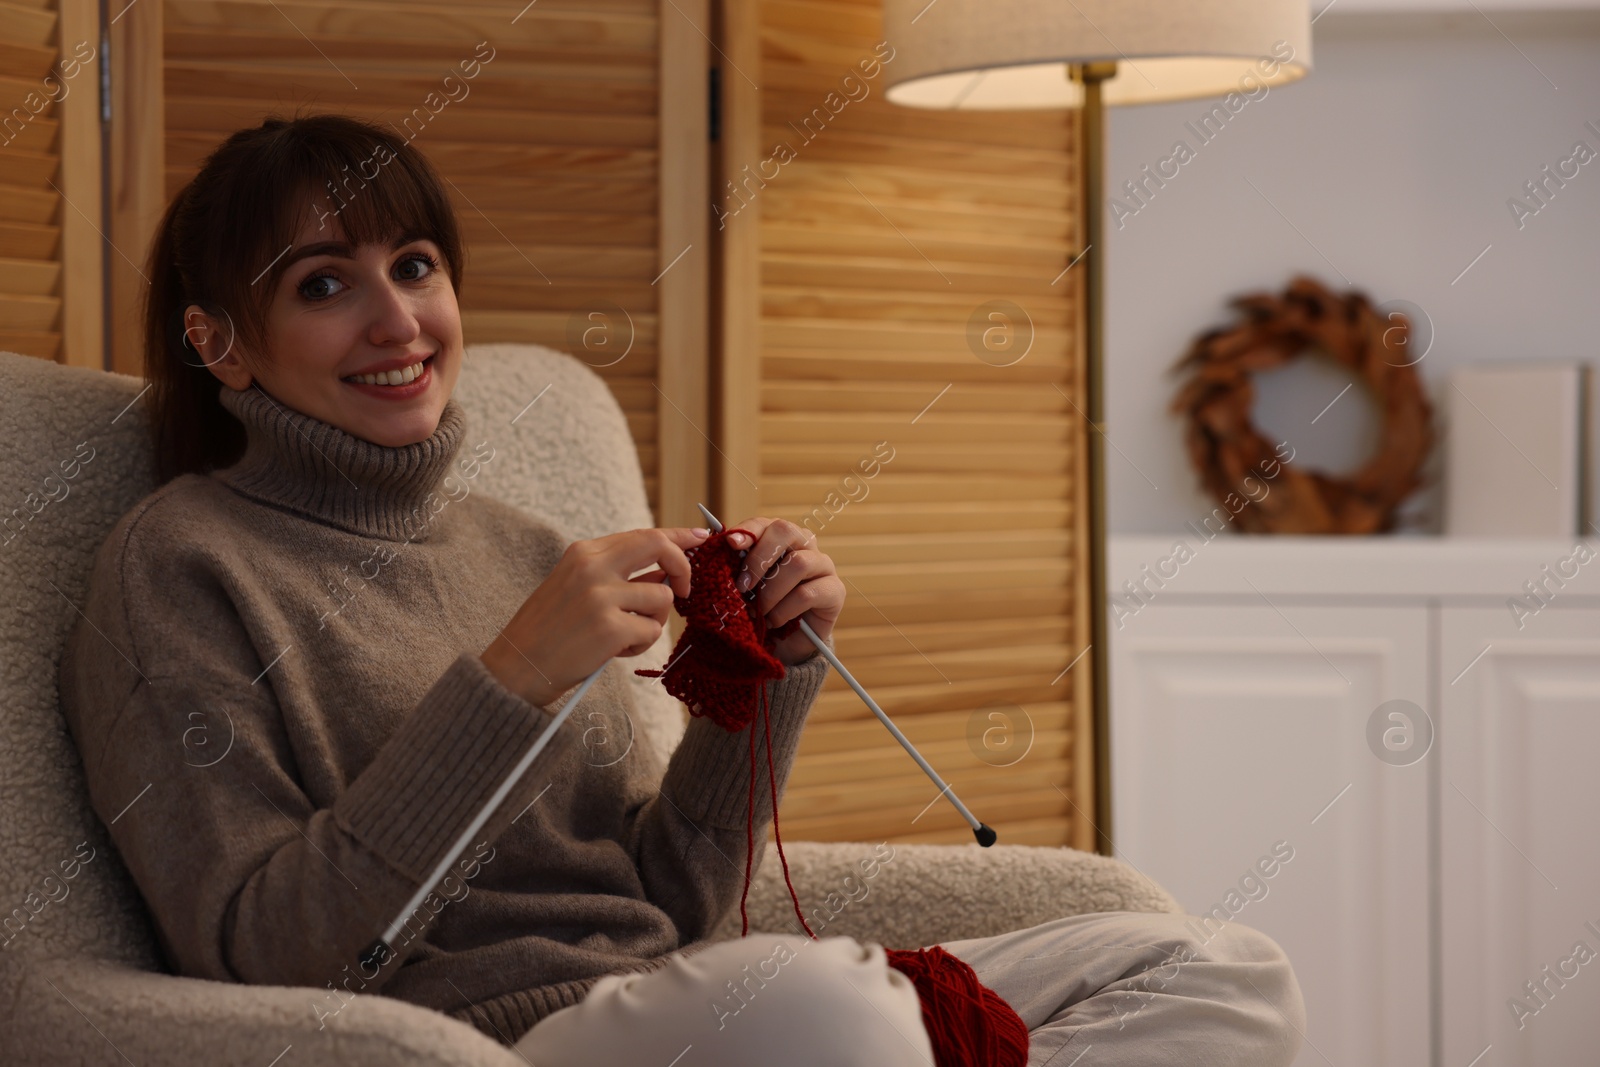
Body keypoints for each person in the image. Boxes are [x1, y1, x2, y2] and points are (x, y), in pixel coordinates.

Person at [58, 112, 1307, 1067]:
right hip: (478, 1042)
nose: (399, 321)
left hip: (690, 1007)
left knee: (1216, 968)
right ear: (217, 337)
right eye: (323, 283)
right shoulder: (177, 567)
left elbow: (669, 900)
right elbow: (259, 950)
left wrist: (770, 680)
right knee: (827, 1007)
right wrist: (509, 679)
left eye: (417, 264)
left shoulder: (517, 539)